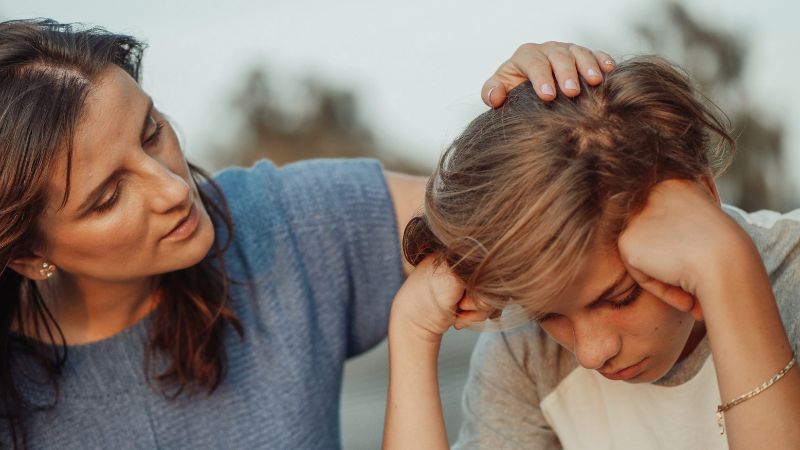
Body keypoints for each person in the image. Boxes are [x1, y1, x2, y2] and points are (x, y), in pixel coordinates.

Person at [0, 18, 616, 449]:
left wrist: (547, 118)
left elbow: (524, 210)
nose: (173, 190)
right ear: (28, 255)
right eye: (109, 197)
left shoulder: (286, 222)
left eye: (152, 131)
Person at [383, 56, 800, 450]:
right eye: (548, 314)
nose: (591, 352)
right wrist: (412, 332)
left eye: (620, 297)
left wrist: (727, 267)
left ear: (704, 198)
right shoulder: (526, 355)